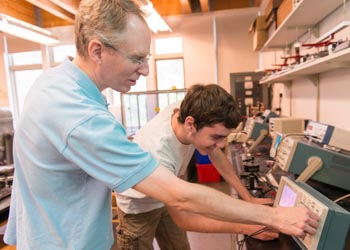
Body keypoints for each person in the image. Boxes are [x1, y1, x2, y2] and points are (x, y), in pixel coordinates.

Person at [4, 0, 319, 249]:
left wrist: (250, 202)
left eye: (147, 59)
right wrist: (273, 216)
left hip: (60, 233)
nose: (144, 71)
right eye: (137, 58)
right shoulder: (79, 114)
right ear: (97, 50)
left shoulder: (57, 85)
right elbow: (182, 199)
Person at [116, 84, 277, 250]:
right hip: (139, 206)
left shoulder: (189, 109)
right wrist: (245, 227)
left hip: (168, 191)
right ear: (190, 124)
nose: (221, 144)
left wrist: (247, 197)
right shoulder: (159, 151)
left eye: (224, 137)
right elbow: (184, 220)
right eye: (216, 137)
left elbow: (215, 154)